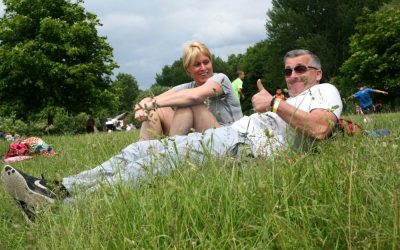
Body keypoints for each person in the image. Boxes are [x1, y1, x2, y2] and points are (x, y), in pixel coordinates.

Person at [1, 49, 343, 222]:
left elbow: (320, 128)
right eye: (288, 70)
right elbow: (181, 95)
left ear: (318, 72)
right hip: (234, 138)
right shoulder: (294, 97)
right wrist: (147, 103)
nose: (293, 75)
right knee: (140, 153)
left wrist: (276, 102)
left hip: (243, 145)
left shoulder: (326, 91)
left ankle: (65, 208)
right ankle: (58, 188)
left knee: (158, 158)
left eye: (300, 69)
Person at [134, 41, 242, 141]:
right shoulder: (188, 87)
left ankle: (171, 152)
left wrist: (149, 105)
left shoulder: (221, 79)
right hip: (204, 137)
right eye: (197, 64)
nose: (203, 68)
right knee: (157, 110)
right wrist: (143, 105)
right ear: (188, 70)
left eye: (206, 62)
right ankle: (145, 152)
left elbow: (194, 97)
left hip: (229, 139)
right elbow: (154, 99)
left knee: (190, 103)